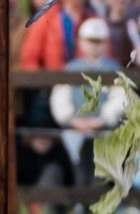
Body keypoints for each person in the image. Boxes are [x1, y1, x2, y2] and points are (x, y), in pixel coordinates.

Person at [48, 18, 133, 188]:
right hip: (73, 130)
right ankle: (78, 205)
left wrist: (103, 120)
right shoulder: (70, 68)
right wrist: (71, 120)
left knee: (100, 172)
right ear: (80, 42)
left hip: (106, 131)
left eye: (98, 42)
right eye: (90, 41)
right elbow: (60, 98)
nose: (94, 46)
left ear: (106, 43)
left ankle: (98, 207)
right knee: (75, 168)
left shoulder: (114, 69)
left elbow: (121, 98)